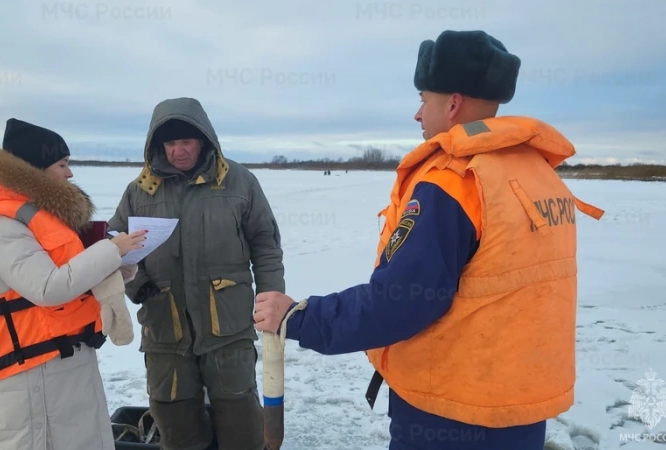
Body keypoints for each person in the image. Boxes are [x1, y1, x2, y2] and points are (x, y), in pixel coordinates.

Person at [253, 30, 605, 450]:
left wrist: (300, 316)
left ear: (453, 103)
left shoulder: (455, 182)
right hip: (519, 411)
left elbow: (400, 300)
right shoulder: (535, 173)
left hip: (451, 413)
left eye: (424, 99)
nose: (418, 115)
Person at [0, 118, 147, 450]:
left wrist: (115, 266)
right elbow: (47, 288)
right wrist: (111, 250)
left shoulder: (37, 220)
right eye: (62, 164)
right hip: (32, 376)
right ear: (35, 169)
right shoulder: (3, 226)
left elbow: (71, 277)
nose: (69, 174)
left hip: (66, 362)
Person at [108, 97, 285, 450]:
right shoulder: (140, 190)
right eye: (170, 143)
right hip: (164, 329)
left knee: (240, 422)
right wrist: (138, 285)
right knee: (175, 422)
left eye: (185, 141)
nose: (178, 151)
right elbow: (114, 245)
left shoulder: (238, 182)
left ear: (203, 139)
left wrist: (272, 301)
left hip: (228, 326)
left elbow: (265, 245)